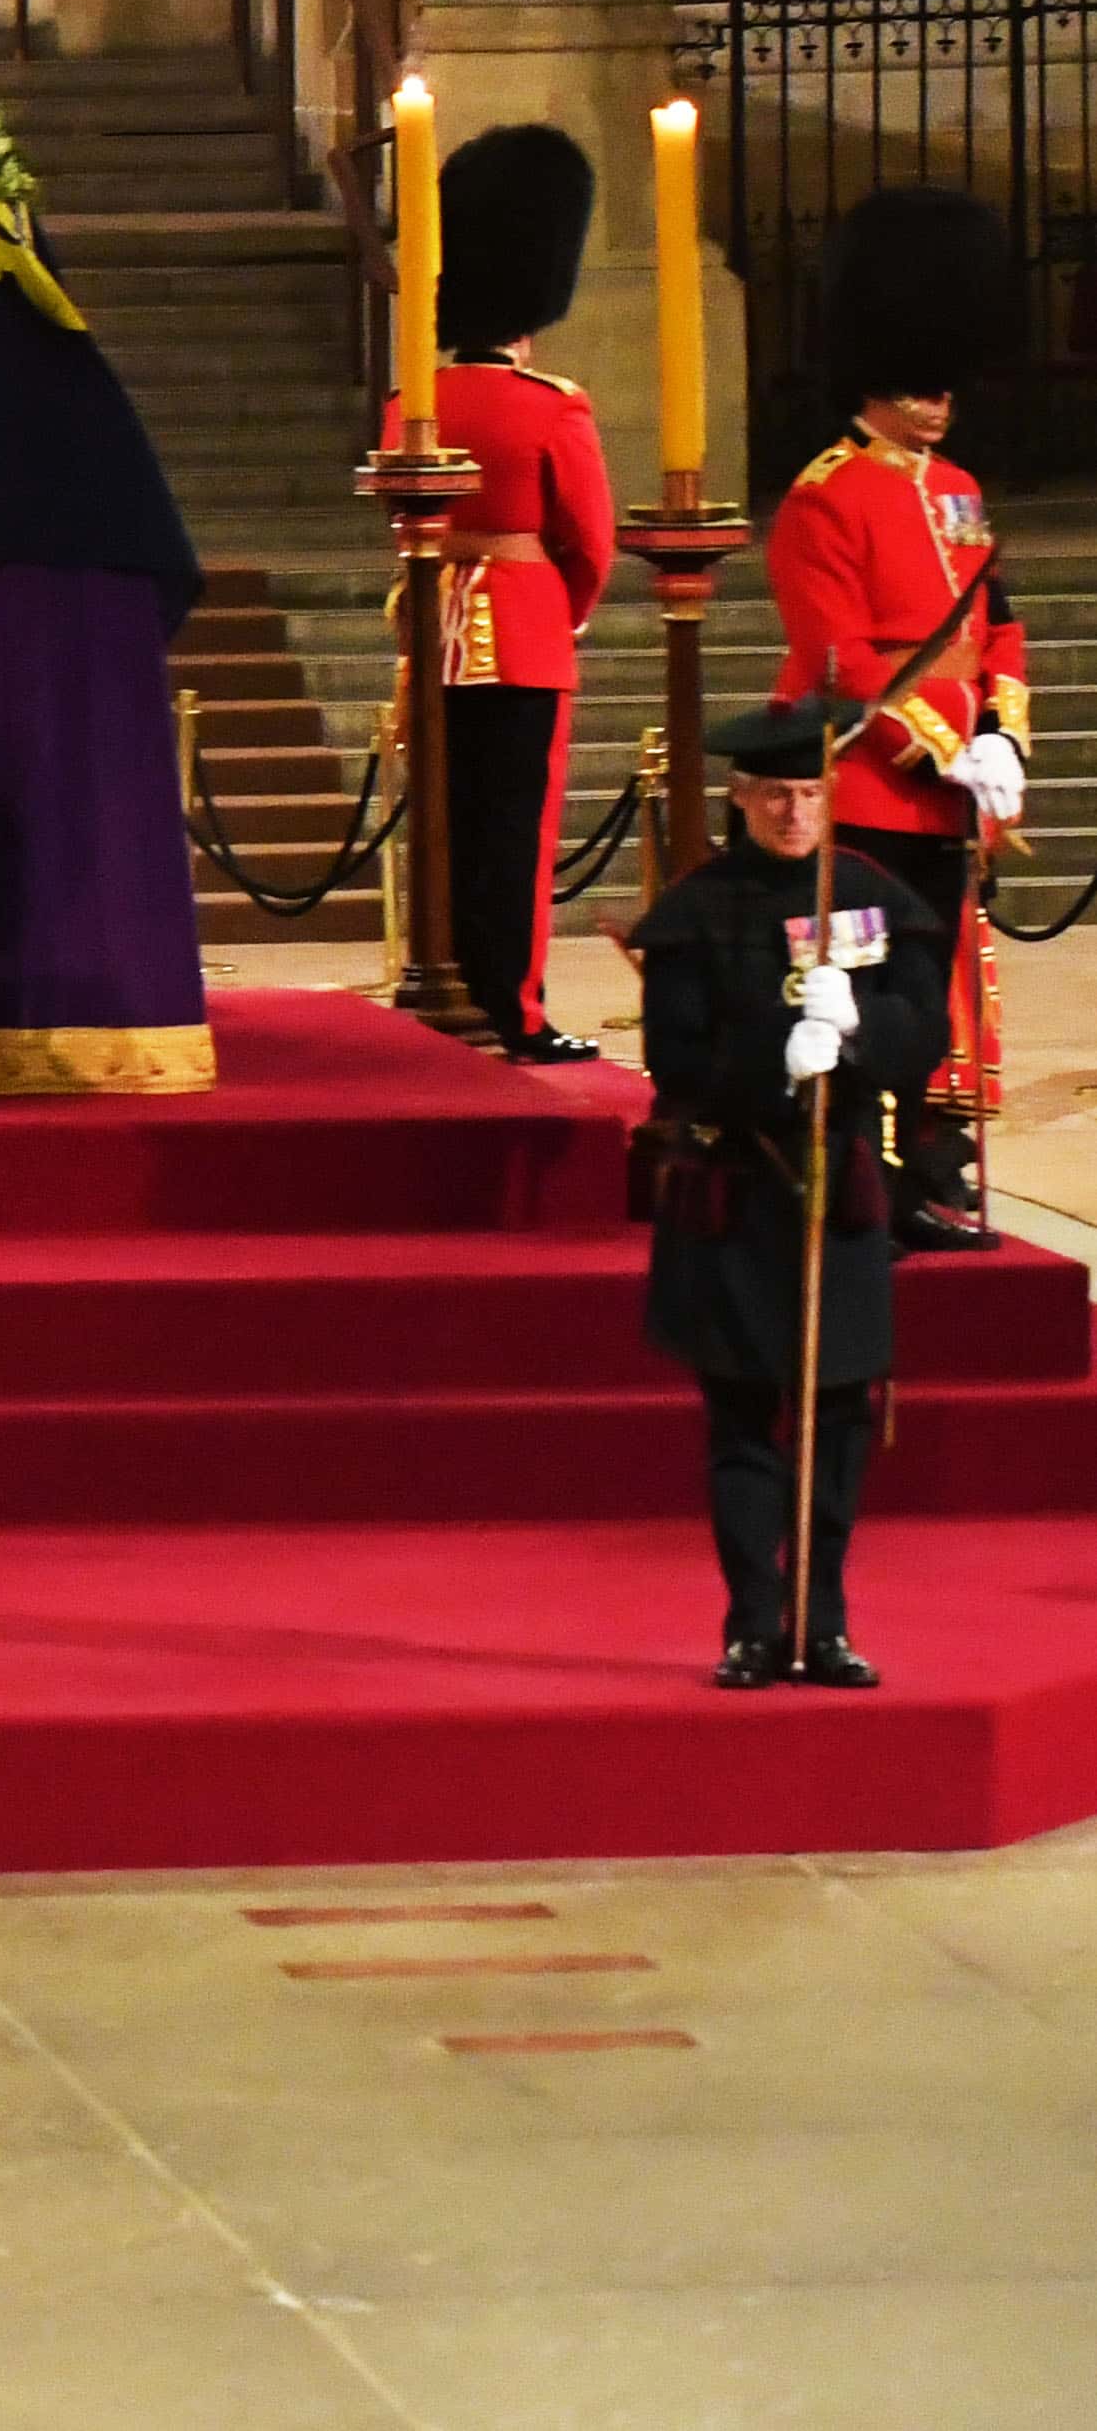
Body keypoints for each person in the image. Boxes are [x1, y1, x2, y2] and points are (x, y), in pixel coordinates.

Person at [628, 698, 952, 1688]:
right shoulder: (697, 909)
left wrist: (857, 1029)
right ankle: (752, 1625)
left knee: (840, 1419)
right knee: (743, 1420)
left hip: (838, 1195)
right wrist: (782, 1053)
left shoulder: (872, 897)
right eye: (774, 795)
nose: (794, 813)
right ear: (740, 797)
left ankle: (826, 1619)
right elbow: (672, 1059)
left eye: (810, 793)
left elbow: (924, 1034)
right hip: (736, 1198)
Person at [767, 186, 1029, 1251]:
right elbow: (841, 662)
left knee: (940, 993)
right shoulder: (824, 496)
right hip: (870, 792)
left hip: (952, 801)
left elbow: (993, 626)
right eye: (922, 384)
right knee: (879, 991)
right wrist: (944, 746)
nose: (941, 402)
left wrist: (1004, 734)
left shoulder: (959, 490)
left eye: (946, 382)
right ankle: (876, 1174)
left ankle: (927, 1157)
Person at [395, 123, 620, 1062]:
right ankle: (515, 1008)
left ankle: (441, 978)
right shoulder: (549, 404)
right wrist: (556, 611)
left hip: (434, 621)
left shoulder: (415, 401)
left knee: (446, 822)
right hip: (525, 629)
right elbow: (592, 541)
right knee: (517, 836)